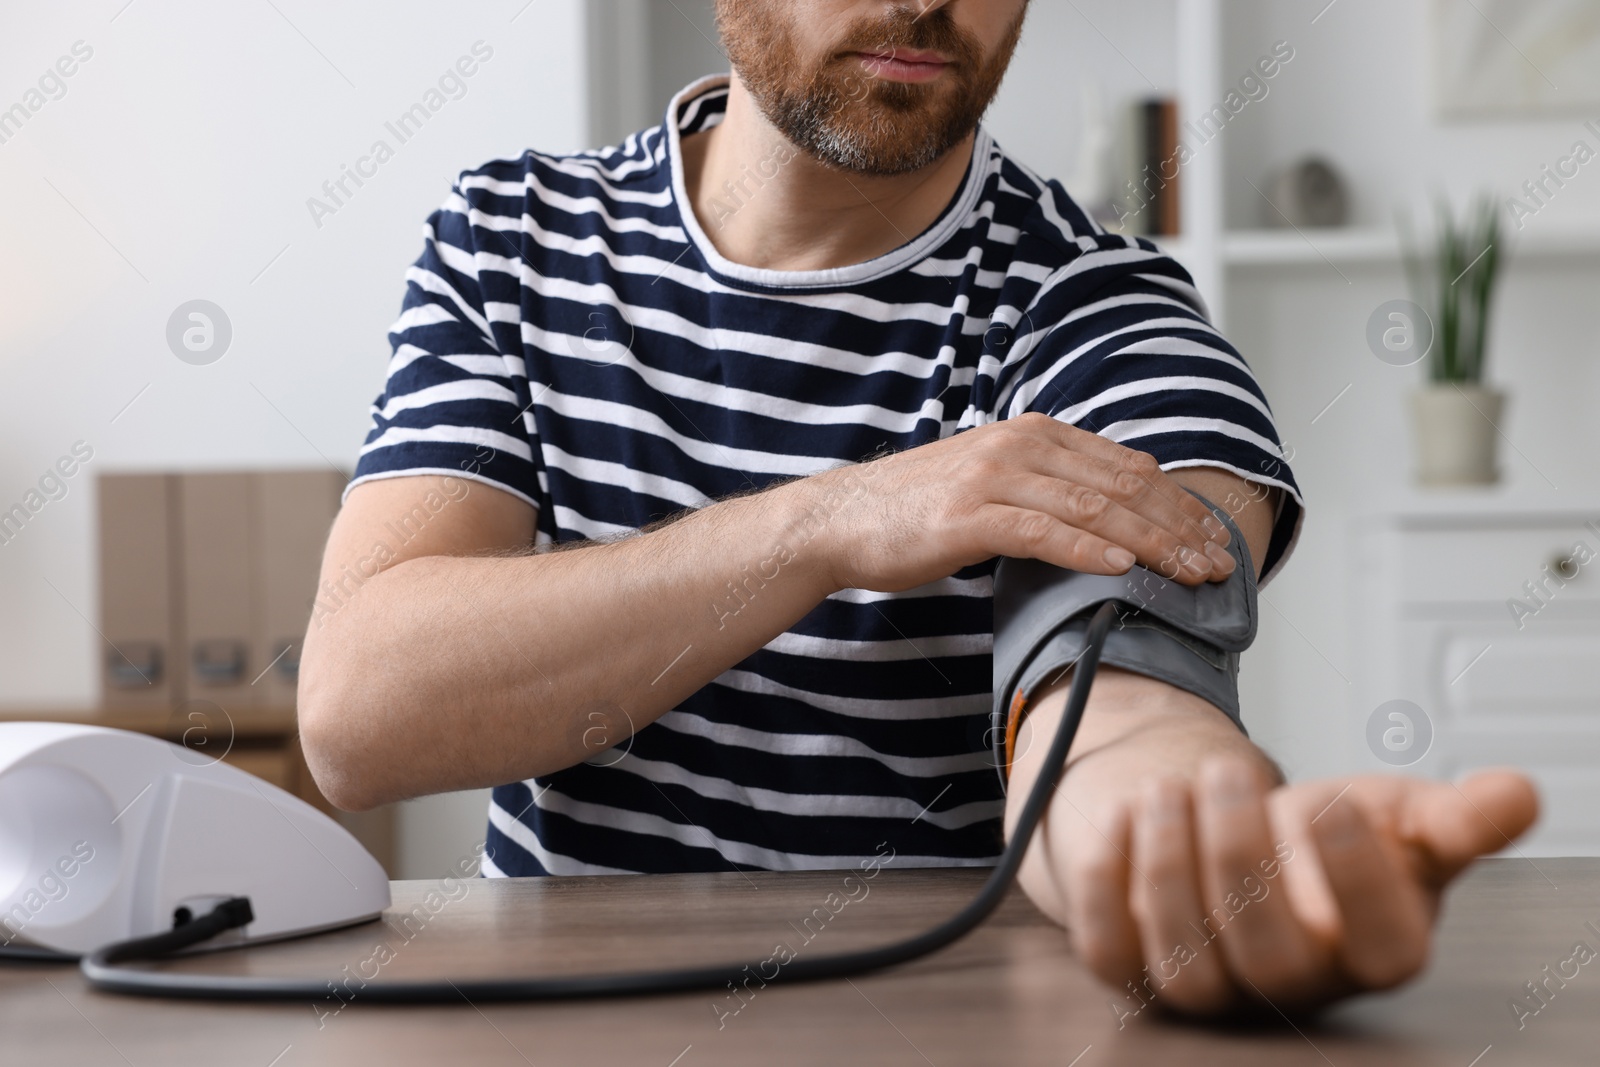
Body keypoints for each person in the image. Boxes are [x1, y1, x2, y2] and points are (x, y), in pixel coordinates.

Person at [298, 0, 1537, 1019]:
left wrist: (1178, 833)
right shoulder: (510, 239)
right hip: (556, 1028)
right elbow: (363, 715)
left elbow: (1118, 717)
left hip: (923, 1030)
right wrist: (825, 522)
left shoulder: (1100, 314)